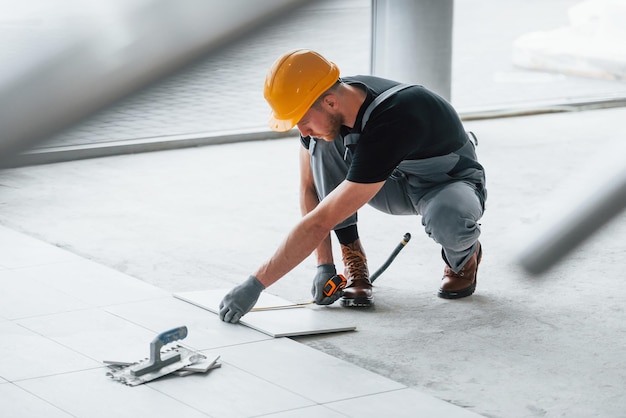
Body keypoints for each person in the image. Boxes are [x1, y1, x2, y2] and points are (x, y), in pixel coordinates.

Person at [219, 49, 487, 323]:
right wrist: (325, 264)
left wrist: (256, 283)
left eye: (302, 121)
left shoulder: (396, 117)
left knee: (447, 219)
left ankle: (464, 258)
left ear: (331, 102)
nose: (302, 132)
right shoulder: (332, 97)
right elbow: (309, 188)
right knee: (322, 142)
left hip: (446, 182)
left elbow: (318, 223)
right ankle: (353, 255)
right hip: (391, 180)